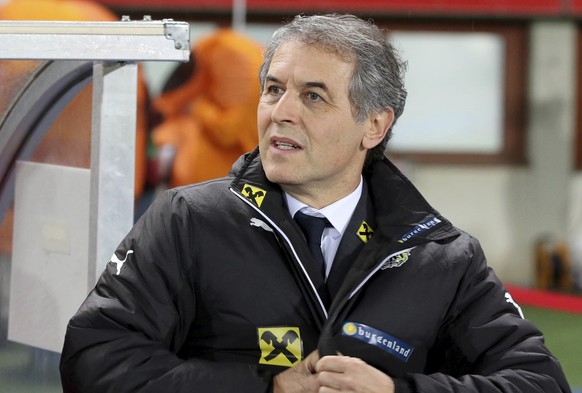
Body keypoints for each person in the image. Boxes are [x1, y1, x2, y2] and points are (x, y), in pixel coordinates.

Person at [60, 14, 571, 393]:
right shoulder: (186, 221)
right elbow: (95, 359)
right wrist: (268, 388)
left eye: (313, 96)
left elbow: (537, 382)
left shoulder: (442, 255)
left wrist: (398, 392)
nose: (280, 113)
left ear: (374, 125)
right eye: (273, 89)